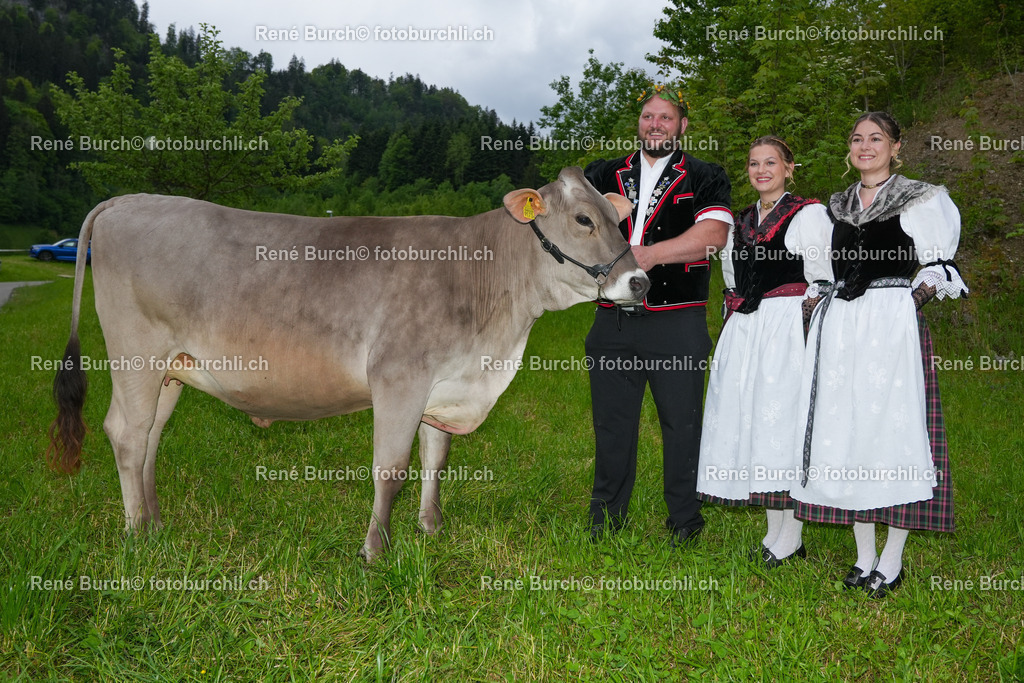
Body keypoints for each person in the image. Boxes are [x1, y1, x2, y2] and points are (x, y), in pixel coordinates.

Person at [793, 111, 968, 596]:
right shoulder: (835, 207)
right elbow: (824, 271)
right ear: (849, 151)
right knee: (847, 432)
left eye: (876, 138)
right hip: (843, 327)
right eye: (856, 139)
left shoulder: (920, 198)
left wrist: (910, 302)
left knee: (893, 433)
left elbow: (937, 266)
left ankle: (892, 560)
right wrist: (818, 302)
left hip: (890, 324)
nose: (864, 146)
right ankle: (863, 554)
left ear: (895, 147)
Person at [583, 87, 732, 546]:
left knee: (681, 424)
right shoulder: (603, 172)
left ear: (682, 126)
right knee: (612, 425)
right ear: (639, 123)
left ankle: (684, 521)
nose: (655, 125)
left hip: (678, 320)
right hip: (613, 318)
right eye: (648, 117)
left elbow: (713, 236)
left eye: (666, 118)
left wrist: (645, 254)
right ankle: (605, 517)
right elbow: (571, 226)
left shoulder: (705, 175)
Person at [696, 136, 833, 566]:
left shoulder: (808, 214)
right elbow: (733, 280)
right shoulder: (740, 222)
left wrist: (810, 330)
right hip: (748, 329)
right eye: (754, 163)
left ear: (789, 168)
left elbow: (823, 278)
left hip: (789, 324)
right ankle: (777, 532)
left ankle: (791, 533)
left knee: (784, 424)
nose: (761, 170)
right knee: (758, 425)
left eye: (770, 162)